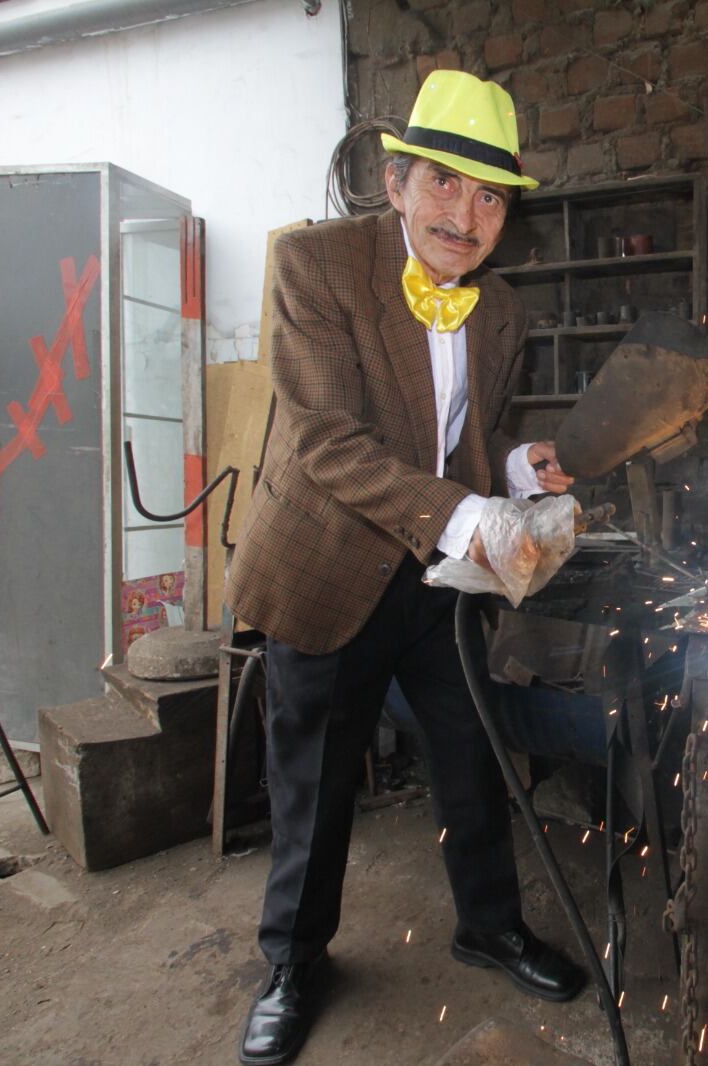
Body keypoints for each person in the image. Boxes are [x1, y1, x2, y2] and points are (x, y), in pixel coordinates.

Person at [226, 70, 584, 1066]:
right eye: (442, 185)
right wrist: (471, 513)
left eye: (488, 197)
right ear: (395, 183)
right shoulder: (313, 268)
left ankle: (490, 924)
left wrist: (515, 465)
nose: (462, 216)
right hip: (327, 569)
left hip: (434, 580)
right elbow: (328, 444)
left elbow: (469, 437)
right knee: (315, 780)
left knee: (471, 751)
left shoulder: (500, 310)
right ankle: (294, 962)